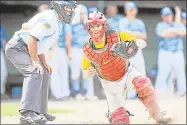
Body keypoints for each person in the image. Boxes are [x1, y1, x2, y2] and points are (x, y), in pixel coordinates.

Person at [82, 10, 172, 124]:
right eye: (92, 26)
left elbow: (138, 42)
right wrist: (88, 73)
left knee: (143, 84)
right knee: (121, 120)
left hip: (127, 73)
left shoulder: (116, 35)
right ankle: (112, 114)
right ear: (88, 28)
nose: (95, 29)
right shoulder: (87, 49)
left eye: (98, 25)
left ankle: (158, 116)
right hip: (109, 85)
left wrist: (137, 44)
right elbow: (86, 72)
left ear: (104, 25)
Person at [5, 0, 77, 124]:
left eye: (71, 8)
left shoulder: (57, 21)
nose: (71, 11)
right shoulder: (50, 18)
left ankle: (40, 111)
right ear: (59, 7)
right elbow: (32, 39)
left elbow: (40, 45)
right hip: (17, 47)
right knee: (34, 72)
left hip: (27, 47)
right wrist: (34, 61)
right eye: (68, 8)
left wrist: (44, 63)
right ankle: (27, 113)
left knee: (45, 72)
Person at [67, 4, 98, 100]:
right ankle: (76, 93)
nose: (82, 15)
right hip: (75, 49)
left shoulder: (87, 25)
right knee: (75, 72)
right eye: (80, 13)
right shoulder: (71, 24)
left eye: (83, 13)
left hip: (86, 51)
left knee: (87, 71)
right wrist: (69, 52)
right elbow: (68, 38)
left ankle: (87, 93)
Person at [155, 7, 186, 97]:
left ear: (172, 15)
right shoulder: (160, 25)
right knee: (163, 73)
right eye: (165, 15)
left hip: (178, 52)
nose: (167, 17)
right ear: (162, 16)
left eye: (169, 15)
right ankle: (159, 94)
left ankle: (182, 92)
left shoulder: (177, 24)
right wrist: (176, 32)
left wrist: (171, 30)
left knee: (180, 72)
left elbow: (184, 31)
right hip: (165, 52)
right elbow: (163, 34)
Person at [119, 1, 147, 99]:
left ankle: (143, 93)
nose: (131, 12)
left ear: (136, 10)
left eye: (133, 10)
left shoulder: (139, 22)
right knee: (128, 72)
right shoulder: (123, 21)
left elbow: (144, 36)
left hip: (138, 49)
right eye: (129, 10)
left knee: (141, 72)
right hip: (127, 50)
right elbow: (123, 33)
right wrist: (137, 34)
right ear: (126, 11)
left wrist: (131, 33)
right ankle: (130, 95)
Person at [0, 24, 8, 99]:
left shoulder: (1, 26)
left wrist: (6, 53)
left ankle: (1, 93)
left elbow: (3, 40)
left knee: (3, 72)